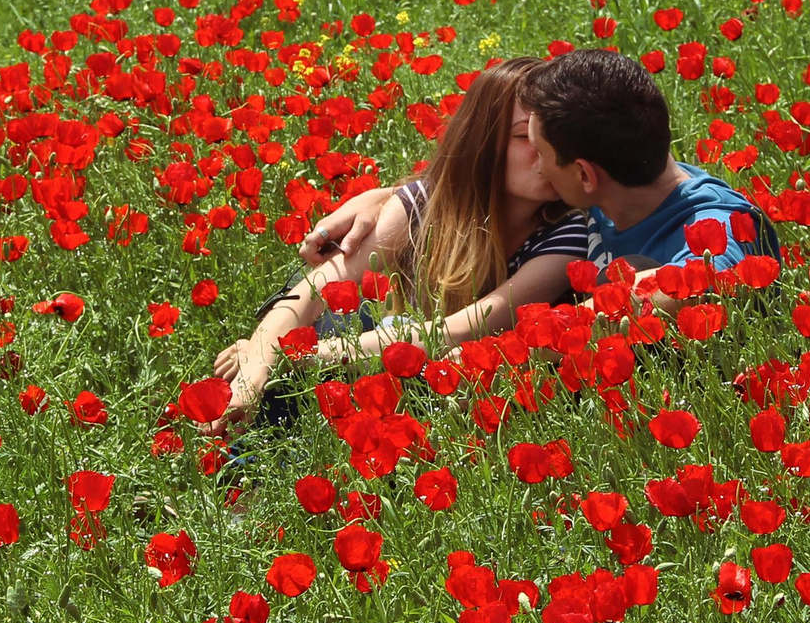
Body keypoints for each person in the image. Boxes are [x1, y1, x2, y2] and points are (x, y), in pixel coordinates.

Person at [215, 58, 588, 427]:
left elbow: (454, 333)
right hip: (365, 364)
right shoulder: (423, 206)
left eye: (557, 137)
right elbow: (312, 290)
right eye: (525, 137)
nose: (548, 153)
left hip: (444, 403)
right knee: (335, 320)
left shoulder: (569, 234)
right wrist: (258, 362)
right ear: (482, 140)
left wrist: (291, 356)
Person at [307, 46, 773, 285]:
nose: (537, 167)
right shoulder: (616, 179)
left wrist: (551, 333)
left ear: (584, 175)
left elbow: (703, 281)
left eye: (543, 155)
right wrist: (383, 197)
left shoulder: (717, 224)